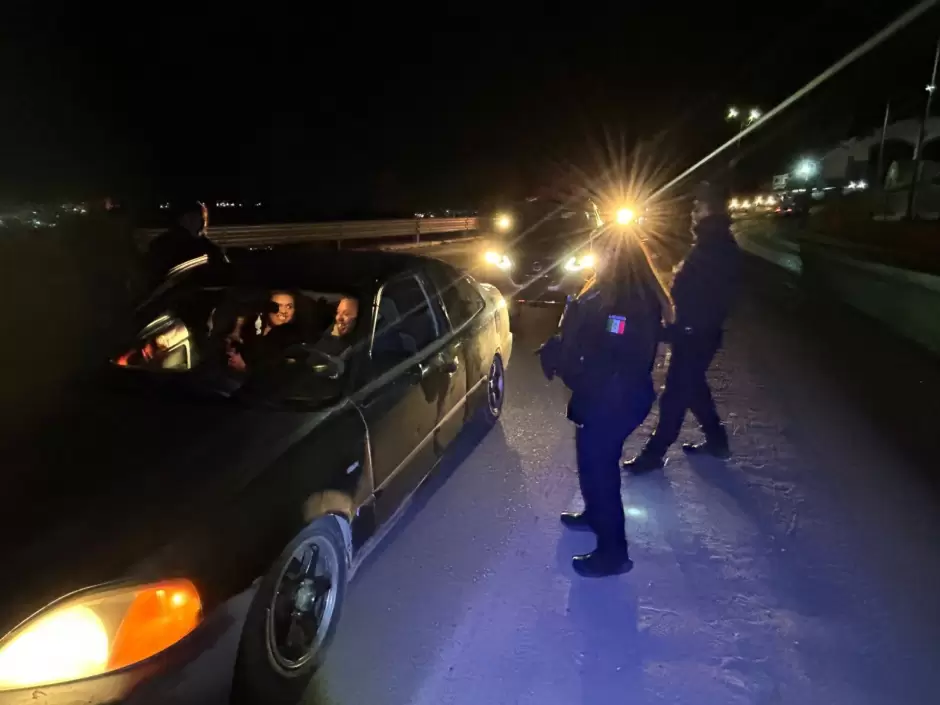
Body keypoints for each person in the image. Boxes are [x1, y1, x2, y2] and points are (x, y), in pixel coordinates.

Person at [538, 234, 672, 578]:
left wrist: (569, 364)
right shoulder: (607, 290)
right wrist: (560, 347)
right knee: (591, 462)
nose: (592, 259)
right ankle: (595, 516)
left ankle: (614, 553)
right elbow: (586, 337)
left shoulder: (628, 303)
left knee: (601, 472)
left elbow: (613, 357)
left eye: (599, 253)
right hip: (603, 395)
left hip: (614, 398)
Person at [623, 181, 742, 474]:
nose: (692, 213)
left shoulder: (717, 249)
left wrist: (683, 329)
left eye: (697, 207)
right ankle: (717, 441)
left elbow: (713, 300)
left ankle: (654, 454)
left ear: (710, 210)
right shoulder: (708, 244)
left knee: (675, 395)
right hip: (693, 333)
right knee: (694, 388)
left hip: (696, 336)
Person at [146, 201, 224, 287]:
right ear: (185, 219)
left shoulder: (160, 242)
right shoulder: (200, 247)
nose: (203, 222)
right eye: (199, 217)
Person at [227, 291, 302, 373]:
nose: (283, 311)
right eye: (277, 306)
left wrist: (245, 367)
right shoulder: (254, 325)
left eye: (289, 307)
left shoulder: (292, 337)